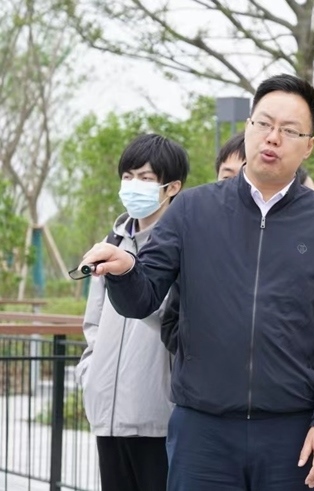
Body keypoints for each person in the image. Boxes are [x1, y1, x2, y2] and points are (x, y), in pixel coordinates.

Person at [79, 73, 314, 491]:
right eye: (264, 123)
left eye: (289, 130)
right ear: (248, 127)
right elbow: (144, 298)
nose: (272, 137)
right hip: (203, 432)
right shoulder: (193, 210)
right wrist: (125, 272)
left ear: (308, 145)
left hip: (293, 432)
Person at [76, 134, 189, 491]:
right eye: (128, 176)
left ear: (172, 187)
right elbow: (93, 321)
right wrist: (90, 374)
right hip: (107, 415)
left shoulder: (182, 245)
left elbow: (178, 321)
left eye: (145, 177)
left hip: (158, 417)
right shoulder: (111, 242)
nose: (133, 185)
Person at [160, 132, 248, 353]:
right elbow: (171, 322)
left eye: (244, 176)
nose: (234, 186)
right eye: (226, 177)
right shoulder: (196, 238)